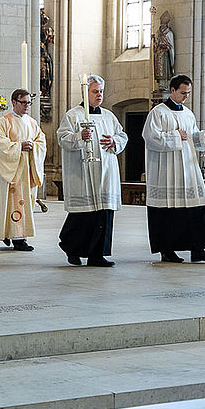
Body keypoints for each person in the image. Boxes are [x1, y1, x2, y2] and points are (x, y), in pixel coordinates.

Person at [143, 74, 205, 263]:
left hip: (187, 168)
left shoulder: (188, 113)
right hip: (166, 170)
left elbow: (193, 139)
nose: (186, 97)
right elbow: (151, 138)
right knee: (168, 213)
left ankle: (197, 249)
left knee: (194, 209)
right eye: (183, 93)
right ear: (173, 90)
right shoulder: (158, 112)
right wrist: (176, 136)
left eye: (188, 93)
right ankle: (167, 251)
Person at [57, 74, 128, 267]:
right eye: (95, 91)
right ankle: (72, 248)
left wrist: (115, 141)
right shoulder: (73, 115)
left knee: (104, 214)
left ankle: (98, 255)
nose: (99, 95)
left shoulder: (109, 116)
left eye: (101, 91)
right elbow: (62, 138)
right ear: (85, 92)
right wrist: (80, 136)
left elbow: (122, 135)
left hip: (106, 171)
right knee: (83, 215)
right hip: (83, 173)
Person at [0, 89, 47, 251]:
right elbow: (0, 145)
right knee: (11, 203)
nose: (27, 106)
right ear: (14, 102)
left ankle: (19, 236)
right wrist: (18, 146)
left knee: (24, 203)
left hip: (27, 170)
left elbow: (41, 141)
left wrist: (34, 147)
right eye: (24, 102)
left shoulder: (32, 122)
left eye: (29, 102)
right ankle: (14, 237)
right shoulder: (4, 121)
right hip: (11, 171)